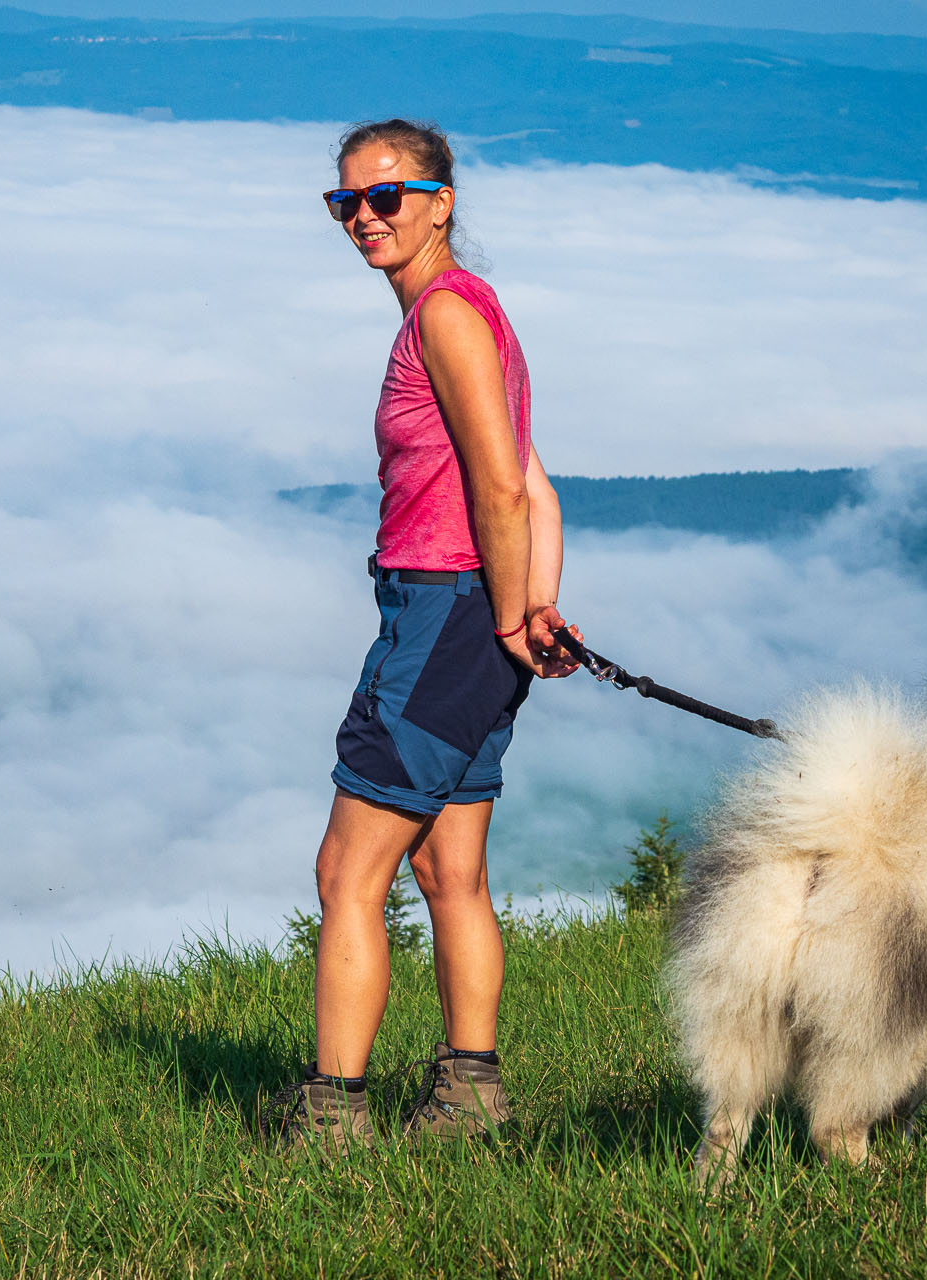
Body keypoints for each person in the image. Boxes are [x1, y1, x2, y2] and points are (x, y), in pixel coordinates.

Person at [263, 119, 581, 1149]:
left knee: (345, 871)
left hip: (444, 609)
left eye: (386, 196)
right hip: (474, 609)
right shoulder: (473, 311)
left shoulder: (445, 317)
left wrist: (500, 617)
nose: (364, 217)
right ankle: (469, 1098)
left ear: (442, 200)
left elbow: (500, 482)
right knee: (451, 871)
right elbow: (539, 488)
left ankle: (333, 1113)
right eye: (345, 202)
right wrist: (532, 608)